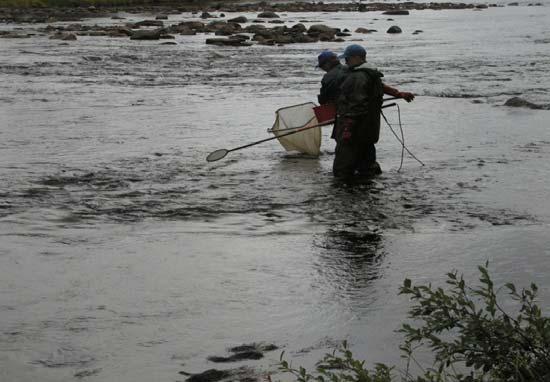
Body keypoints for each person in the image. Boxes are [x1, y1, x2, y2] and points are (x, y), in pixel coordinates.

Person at [331, 44, 414, 178]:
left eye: (347, 58)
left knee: (342, 168)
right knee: (367, 164)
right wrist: (399, 94)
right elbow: (381, 87)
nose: (345, 62)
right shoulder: (371, 74)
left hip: (354, 131)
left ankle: (344, 194)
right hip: (369, 129)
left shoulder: (357, 77)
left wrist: (347, 128)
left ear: (357, 58)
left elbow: (356, 105)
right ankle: (370, 189)